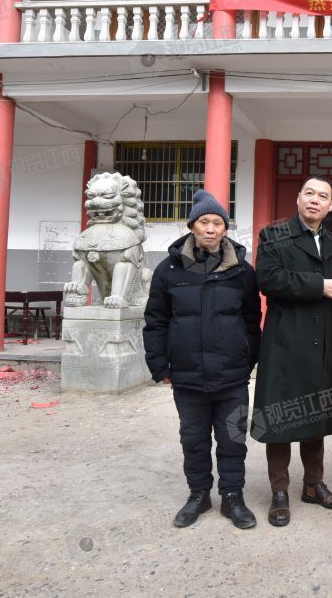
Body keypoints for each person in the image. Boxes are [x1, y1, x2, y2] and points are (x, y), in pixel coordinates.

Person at [143, 189, 262, 529]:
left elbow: (252, 321)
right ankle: (198, 494)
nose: (210, 229)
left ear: (225, 229)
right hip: (188, 376)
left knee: (233, 439)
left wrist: (248, 359)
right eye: (204, 222)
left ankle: (232, 497)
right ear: (192, 226)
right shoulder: (169, 270)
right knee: (193, 440)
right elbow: (156, 321)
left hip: (232, 376)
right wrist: (159, 366)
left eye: (217, 223)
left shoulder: (242, 271)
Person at [252, 176, 332, 527]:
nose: (315, 200)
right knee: (280, 418)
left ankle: (313, 484)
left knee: (315, 416)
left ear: (330, 206)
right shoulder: (274, 235)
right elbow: (268, 279)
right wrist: (318, 285)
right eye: (309, 193)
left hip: (320, 343)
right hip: (285, 342)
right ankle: (279, 491)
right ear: (298, 198)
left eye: (323, 196)